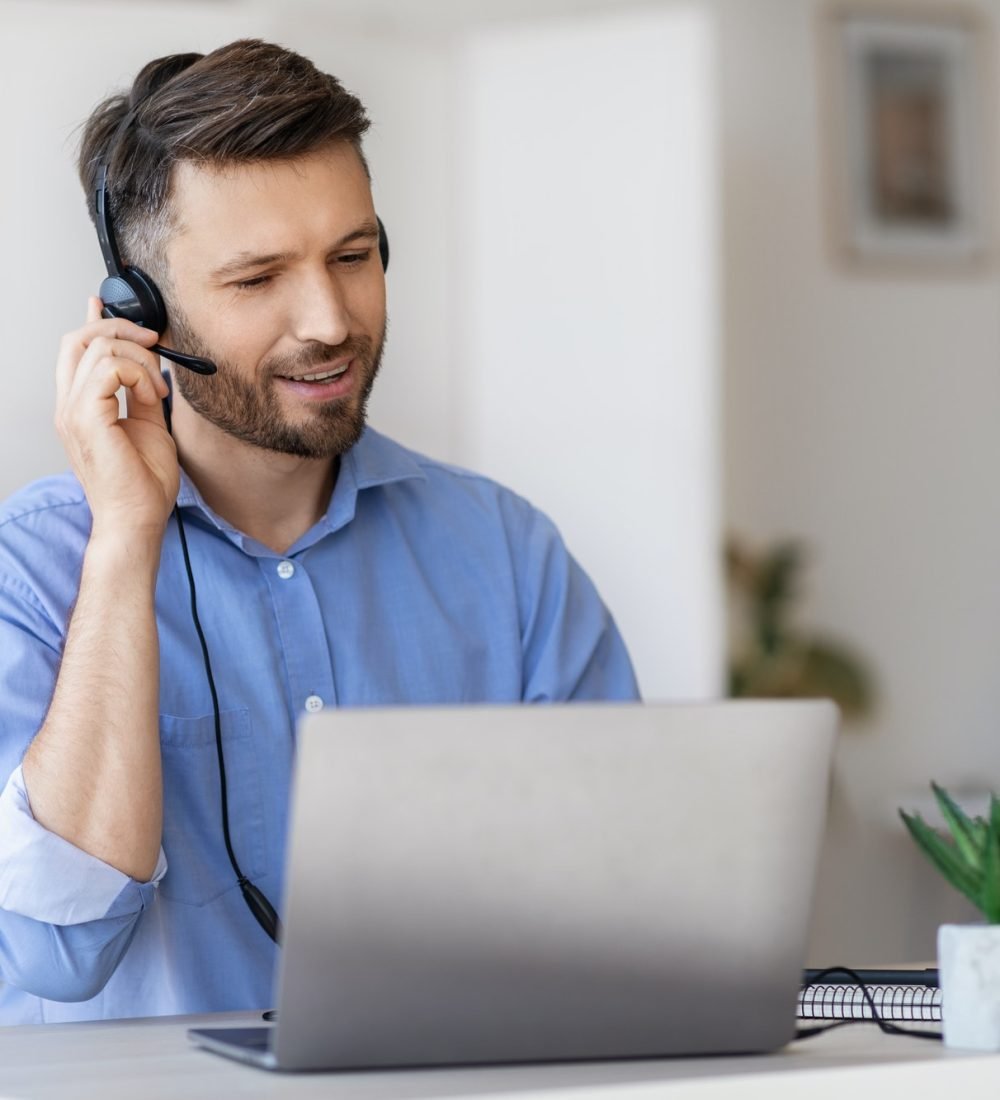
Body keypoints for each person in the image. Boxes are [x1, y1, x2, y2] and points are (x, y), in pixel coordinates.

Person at [0, 40, 638, 1026]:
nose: (330, 319)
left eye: (352, 255)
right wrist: (126, 541)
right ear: (140, 312)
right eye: (257, 278)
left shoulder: (508, 556)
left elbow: (622, 911)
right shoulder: (33, 571)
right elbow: (57, 949)